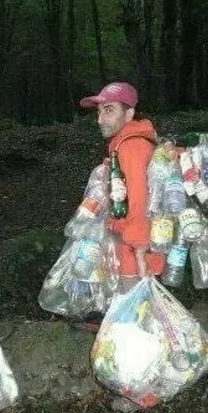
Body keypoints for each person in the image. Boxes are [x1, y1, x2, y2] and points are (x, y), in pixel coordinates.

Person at [80, 82, 165, 294]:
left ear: (129, 113)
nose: (100, 119)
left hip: (135, 253)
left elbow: (140, 199)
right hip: (130, 245)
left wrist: (139, 248)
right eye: (99, 112)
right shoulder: (125, 142)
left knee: (134, 317)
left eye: (109, 111)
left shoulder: (132, 146)